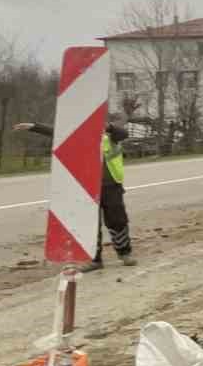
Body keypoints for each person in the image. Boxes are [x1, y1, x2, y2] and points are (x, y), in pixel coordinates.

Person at [15, 116, 137, 271]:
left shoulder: (110, 136)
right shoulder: (79, 136)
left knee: (118, 221)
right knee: (91, 225)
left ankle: (125, 253)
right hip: (87, 188)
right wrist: (34, 126)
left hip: (111, 186)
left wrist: (108, 127)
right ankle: (94, 260)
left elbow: (123, 133)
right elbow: (57, 132)